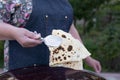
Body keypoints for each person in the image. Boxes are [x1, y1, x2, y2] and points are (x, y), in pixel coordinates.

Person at [0, 0, 101, 73]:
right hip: (22, 72)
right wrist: (14, 32)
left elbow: (69, 28)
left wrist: (87, 57)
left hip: (61, 73)